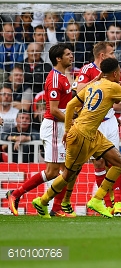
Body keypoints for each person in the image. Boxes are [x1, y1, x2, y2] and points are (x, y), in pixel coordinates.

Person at [31, 57, 121, 218]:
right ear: (116, 73)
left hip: (93, 134)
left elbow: (70, 105)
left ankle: (97, 199)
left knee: (120, 162)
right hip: (82, 135)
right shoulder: (112, 87)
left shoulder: (94, 85)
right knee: (69, 174)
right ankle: (43, 200)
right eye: (120, 71)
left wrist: (68, 129)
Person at [6, 43, 74, 217]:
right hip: (54, 127)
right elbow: (54, 110)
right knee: (54, 172)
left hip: (61, 127)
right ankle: (16, 194)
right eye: (67, 54)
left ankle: (55, 206)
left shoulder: (64, 76)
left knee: (68, 169)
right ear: (58, 58)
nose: (71, 56)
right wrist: (73, 121)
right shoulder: (55, 79)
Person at [74, 42, 121, 216]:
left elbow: (112, 97)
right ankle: (106, 203)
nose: (114, 55)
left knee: (116, 160)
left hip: (110, 120)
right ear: (102, 56)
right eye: (112, 52)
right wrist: (98, 79)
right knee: (98, 162)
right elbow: (79, 90)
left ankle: (118, 203)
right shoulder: (87, 70)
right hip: (94, 124)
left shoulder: (112, 72)